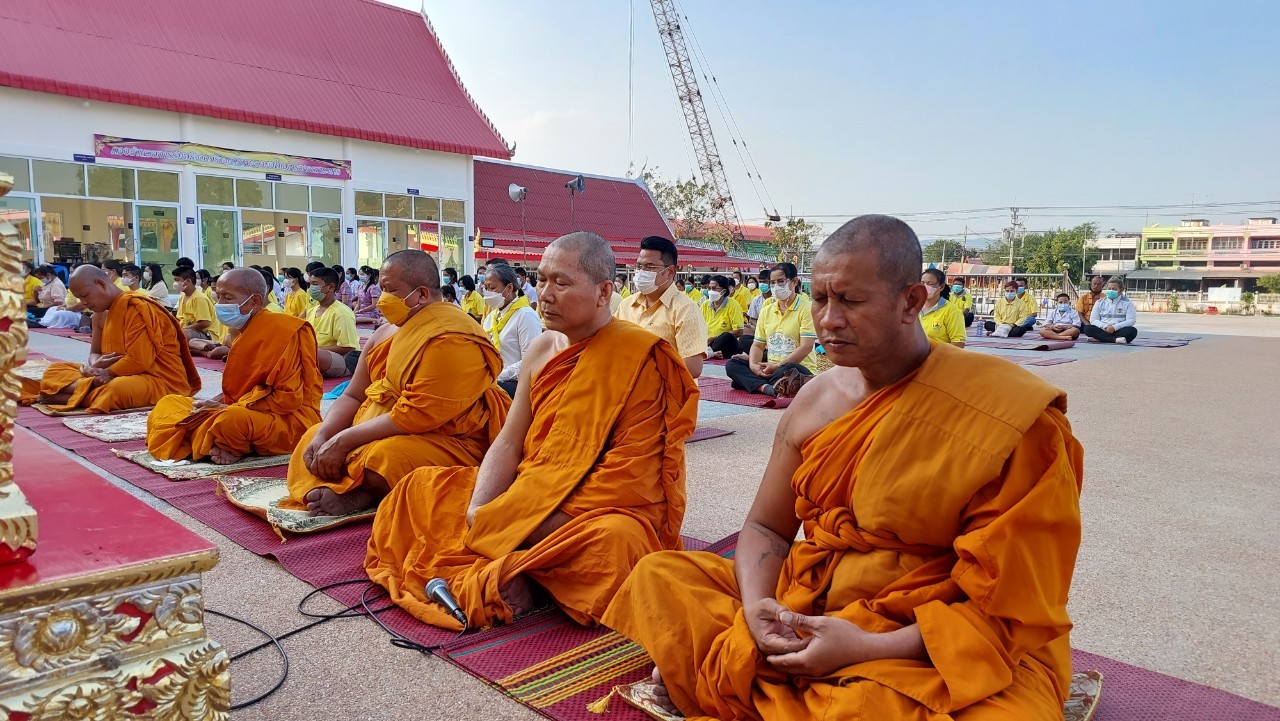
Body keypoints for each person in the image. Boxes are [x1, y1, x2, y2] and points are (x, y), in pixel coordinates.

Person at [604, 214, 1084, 721]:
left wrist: (868, 647)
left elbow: (1010, 601)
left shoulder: (1006, 413)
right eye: (819, 299)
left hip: (929, 630)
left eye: (851, 301)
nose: (828, 320)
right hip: (809, 598)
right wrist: (759, 609)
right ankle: (757, 663)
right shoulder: (816, 398)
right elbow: (767, 527)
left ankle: (732, 672)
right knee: (661, 574)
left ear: (911, 302)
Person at [365, 232, 698, 630]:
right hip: (529, 493)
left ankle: (529, 572)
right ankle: (533, 570)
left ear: (603, 291)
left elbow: (629, 482)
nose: (545, 293)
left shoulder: (643, 357)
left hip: (590, 514)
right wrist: (480, 508)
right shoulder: (542, 349)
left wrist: (517, 523)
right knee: (418, 489)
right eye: (540, 280)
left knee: (619, 545)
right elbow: (508, 440)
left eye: (561, 282)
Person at [284, 250, 511, 516]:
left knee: (384, 458)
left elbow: (415, 416)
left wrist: (344, 441)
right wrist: (328, 435)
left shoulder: (451, 335)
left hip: (443, 438)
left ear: (422, 294)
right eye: (381, 289)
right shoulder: (385, 332)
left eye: (391, 290)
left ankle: (363, 491)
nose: (383, 299)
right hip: (374, 425)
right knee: (312, 437)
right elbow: (354, 395)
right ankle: (351, 484)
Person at [147, 268, 323, 464]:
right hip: (242, 408)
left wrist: (226, 407)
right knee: (170, 403)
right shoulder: (241, 333)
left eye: (227, 298)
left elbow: (287, 399)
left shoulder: (285, 331)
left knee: (230, 420)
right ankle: (222, 442)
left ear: (254, 301)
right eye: (218, 296)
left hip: (288, 419)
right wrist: (210, 405)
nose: (219, 304)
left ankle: (227, 442)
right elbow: (236, 391)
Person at [19, 265, 200, 413]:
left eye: (85, 296)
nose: (83, 303)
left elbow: (139, 361)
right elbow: (95, 352)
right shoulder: (99, 313)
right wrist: (95, 367)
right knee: (55, 370)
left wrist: (107, 373)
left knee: (116, 390)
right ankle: (78, 391)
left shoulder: (138, 308)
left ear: (101, 284)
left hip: (156, 379)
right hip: (108, 374)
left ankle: (67, 394)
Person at [614, 237, 706, 378]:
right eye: (638, 266)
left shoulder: (686, 309)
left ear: (670, 272)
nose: (641, 272)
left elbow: (693, 367)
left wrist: (645, 373)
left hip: (665, 395)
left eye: (650, 267)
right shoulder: (626, 305)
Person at [725, 263, 816, 398]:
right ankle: (768, 387)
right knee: (733, 364)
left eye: (780, 281)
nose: (775, 287)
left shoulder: (807, 308)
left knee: (788, 369)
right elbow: (758, 344)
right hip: (770, 365)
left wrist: (777, 366)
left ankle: (753, 383)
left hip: (794, 367)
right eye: (772, 283)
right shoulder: (767, 310)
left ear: (794, 282)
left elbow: (806, 347)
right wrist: (753, 364)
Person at [481, 264, 542, 398]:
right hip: (492, 382)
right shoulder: (491, 318)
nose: (487, 293)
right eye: (486, 288)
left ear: (509, 288)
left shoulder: (526, 316)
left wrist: (499, 376)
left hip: (515, 386)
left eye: (492, 288)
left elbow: (531, 361)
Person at [307, 268, 361, 379]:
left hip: (343, 359)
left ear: (331, 287)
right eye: (310, 284)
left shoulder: (342, 313)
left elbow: (348, 347)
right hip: (316, 354)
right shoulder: (313, 310)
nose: (311, 288)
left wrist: (316, 350)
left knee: (312, 355)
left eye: (315, 284)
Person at [1082, 276, 1138, 344]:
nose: (1111, 291)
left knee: (1132, 331)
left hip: (1119, 329)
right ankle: (1115, 340)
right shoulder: (1100, 302)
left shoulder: (1127, 302)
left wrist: (1114, 327)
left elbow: (1131, 320)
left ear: (1120, 290)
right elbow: (1093, 320)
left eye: (1114, 289)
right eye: (1109, 288)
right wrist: (1105, 326)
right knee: (1088, 329)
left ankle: (1100, 338)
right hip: (1103, 329)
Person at [918, 268, 966, 347]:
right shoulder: (914, 307)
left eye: (930, 283)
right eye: (922, 283)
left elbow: (959, 343)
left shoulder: (951, 311)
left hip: (937, 356)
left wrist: (935, 353)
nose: (925, 287)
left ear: (941, 287)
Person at [703, 274, 745, 360]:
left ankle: (708, 352)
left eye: (714, 288)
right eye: (709, 288)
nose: (711, 291)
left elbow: (739, 331)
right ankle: (710, 352)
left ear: (724, 291)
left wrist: (715, 338)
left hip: (725, 343)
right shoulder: (705, 304)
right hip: (707, 342)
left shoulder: (733, 305)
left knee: (726, 336)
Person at [173, 267, 217, 341]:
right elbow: (179, 318)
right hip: (188, 331)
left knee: (182, 333)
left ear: (188, 281)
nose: (175, 283)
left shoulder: (199, 298)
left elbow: (205, 323)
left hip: (205, 334)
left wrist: (182, 329)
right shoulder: (182, 297)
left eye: (177, 280)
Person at [742, 268, 773, 354]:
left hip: (775, 329)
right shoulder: (757, 299)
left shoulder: (777, 299)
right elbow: (752, 319)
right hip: (759, 327)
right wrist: (760, 326)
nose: (763, 284)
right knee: (744, 331)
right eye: (761, 281)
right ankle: (761, 351)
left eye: (765, 282)